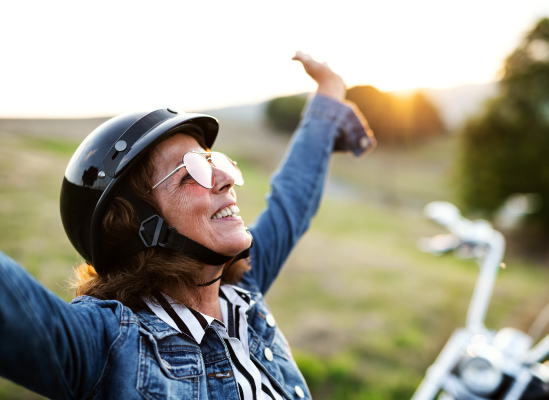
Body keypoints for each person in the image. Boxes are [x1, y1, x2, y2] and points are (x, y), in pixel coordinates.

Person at [0, 52, 375, 399]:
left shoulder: (243, 291)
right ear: (135, 226)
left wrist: (329, 93)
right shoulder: (107, 344)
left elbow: (293, 200)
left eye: (215, 162)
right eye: (191, 173)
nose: (225, 180)